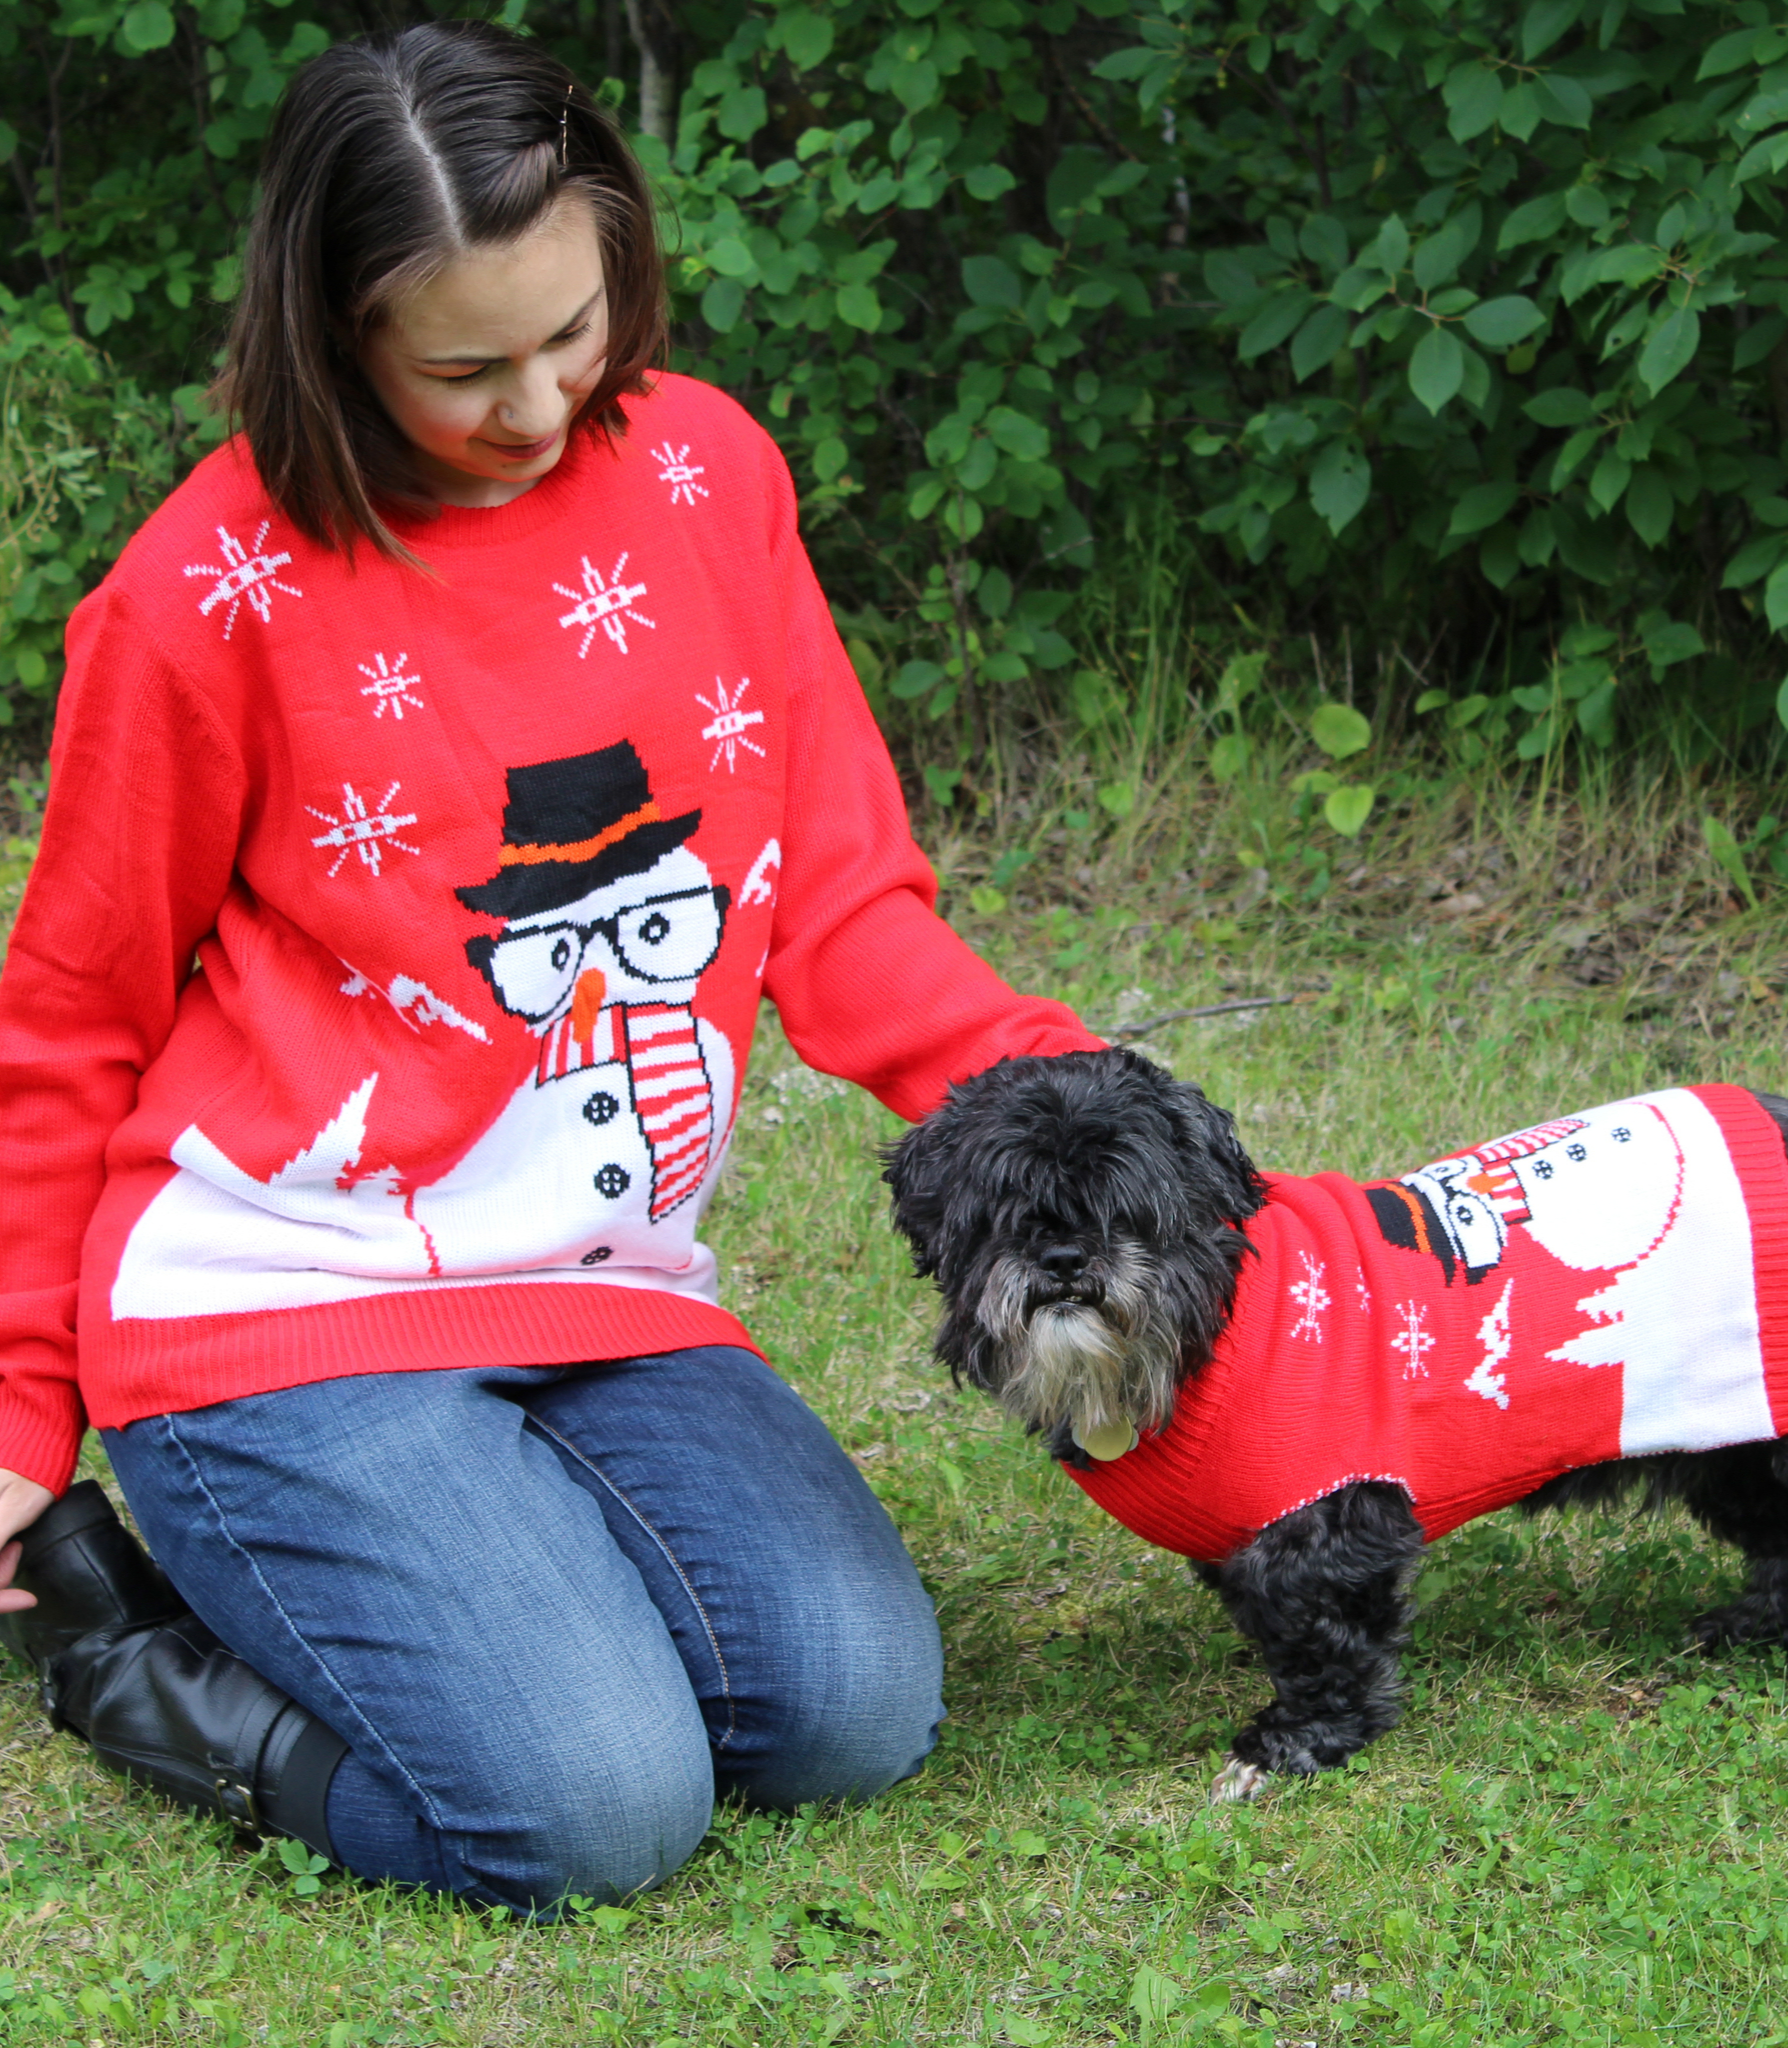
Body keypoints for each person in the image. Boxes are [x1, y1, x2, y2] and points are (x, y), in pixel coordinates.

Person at [0, 21, 1096, 1914]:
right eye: (464, 366)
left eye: (576, 331)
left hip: (598, 1282)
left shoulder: (706, 477)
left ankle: (468, 1564)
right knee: (592, 1814)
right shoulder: (203, 597)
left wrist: (1078, 1111)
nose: (539, 405)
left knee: (853, 1713)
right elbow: (72, 1015)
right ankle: (136, 1655)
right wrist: (14, 1410)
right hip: (280, 1305)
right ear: (332, 331)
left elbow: (836, 897)